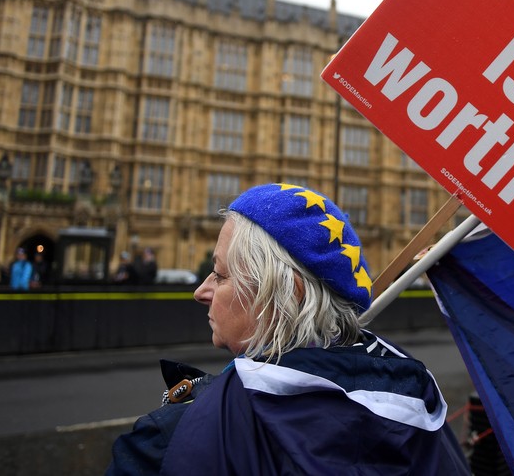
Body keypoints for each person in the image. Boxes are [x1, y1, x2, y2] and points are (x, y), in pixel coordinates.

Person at [107, 183, 470, 475]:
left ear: (284, 295)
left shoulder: (173, 440)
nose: (201, 291)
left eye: (220, 274)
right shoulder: (422, 416)